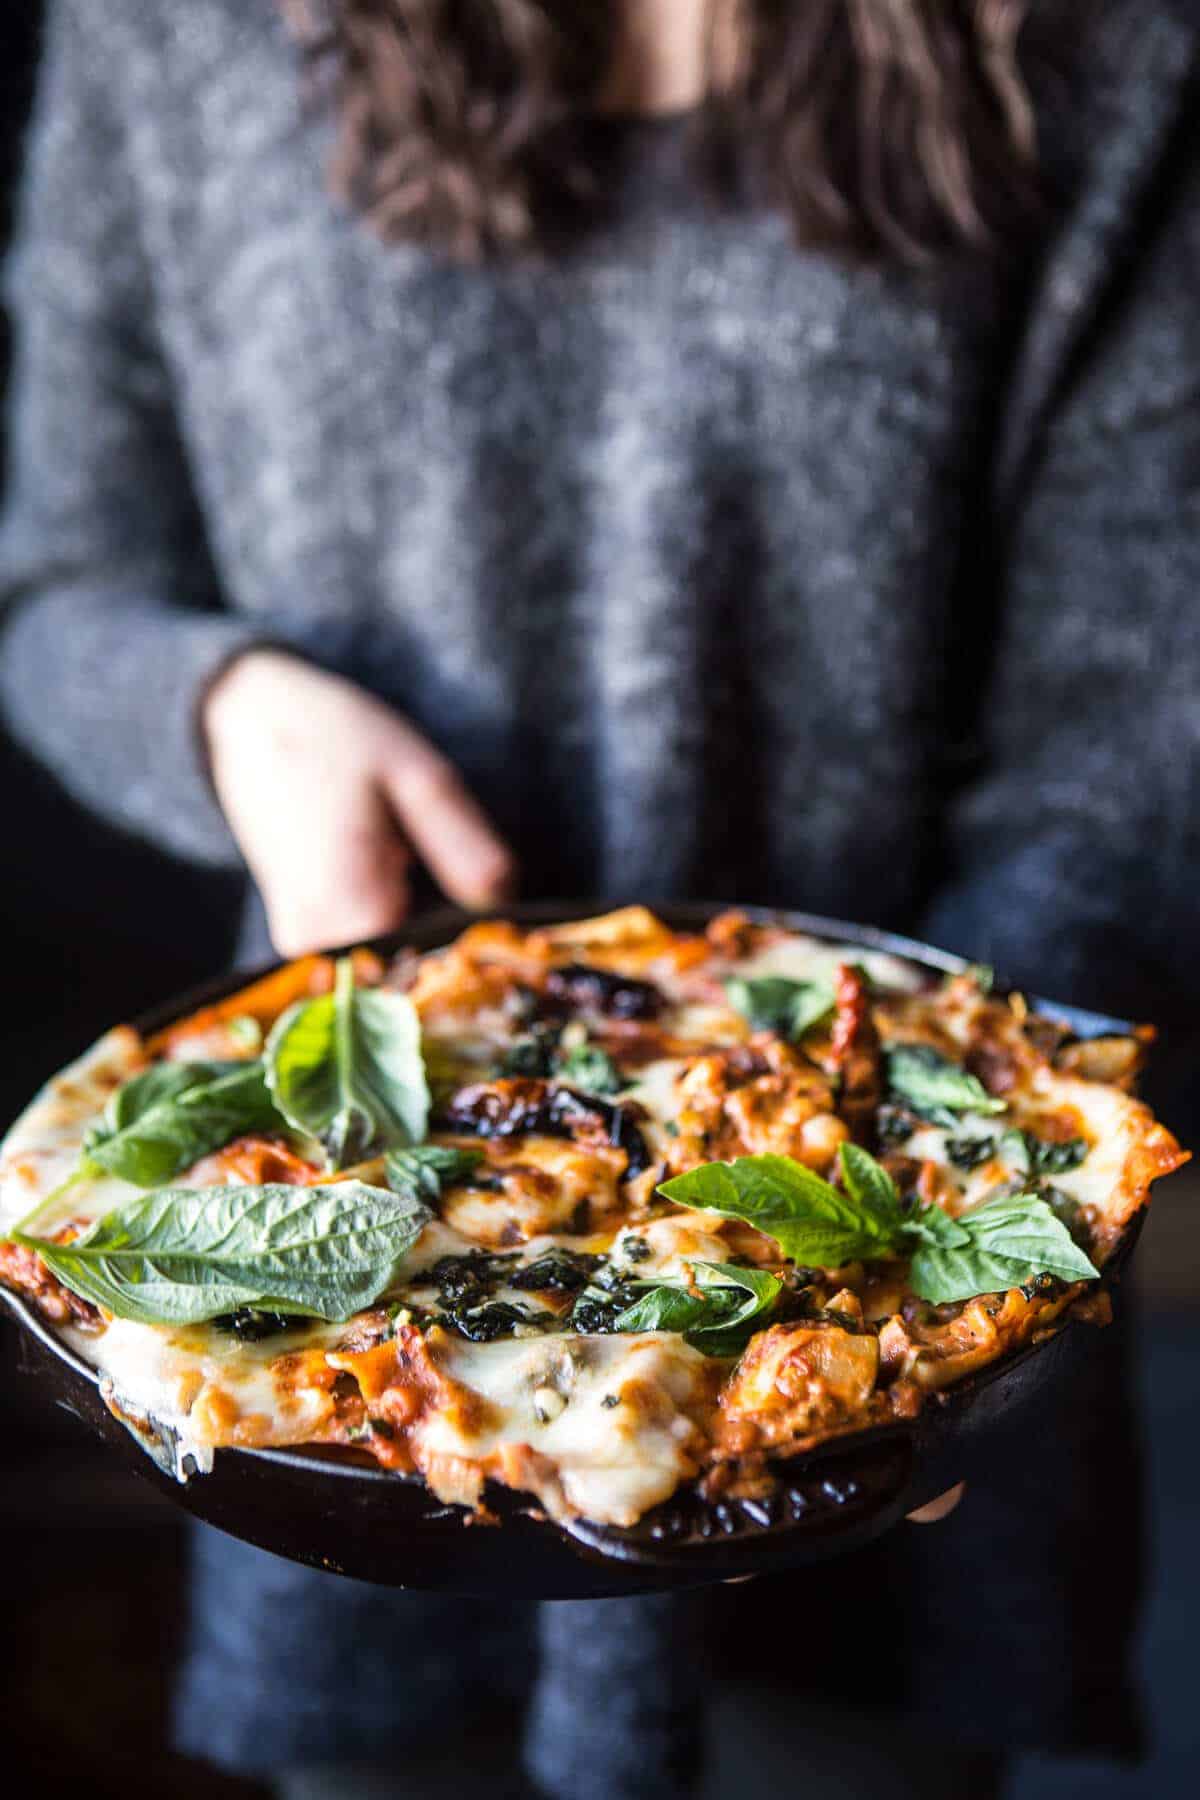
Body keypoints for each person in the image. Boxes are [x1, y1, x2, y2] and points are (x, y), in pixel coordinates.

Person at [2, 2, 1197, 1796]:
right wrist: (225, 707)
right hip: (337, 1289)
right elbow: (54, 576)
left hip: (887, 1255)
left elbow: (1124, 731)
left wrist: (916, 1307)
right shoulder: (170, 28)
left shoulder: (1108, 48)